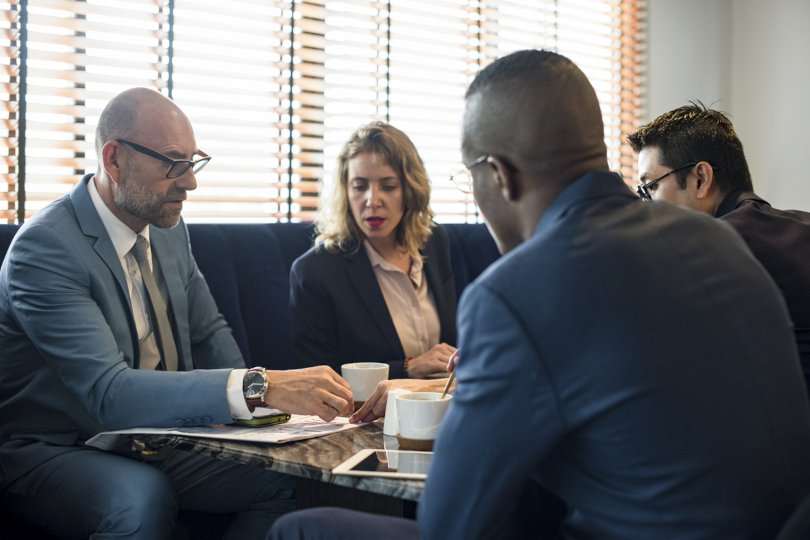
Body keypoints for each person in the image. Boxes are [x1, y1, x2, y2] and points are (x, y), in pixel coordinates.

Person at [269, 50, 810, 539]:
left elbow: (453, 524)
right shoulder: (718, 239)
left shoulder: (514, 292)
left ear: (498, 175)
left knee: (298, 530)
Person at [0, 87, 354, 540]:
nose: (190, 182)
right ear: (114, 160)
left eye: (193, 161)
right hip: (60, 446)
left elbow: (209, 334)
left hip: (158, 436)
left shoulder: (167, 228)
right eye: (173, 162)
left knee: (293, 479)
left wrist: (267, 420)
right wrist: (259, 387)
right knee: (142, 498)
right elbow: (108, 396)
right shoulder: (45, 249)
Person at [628, 102, 810, 390]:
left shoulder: (712, 251)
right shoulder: (799, 226)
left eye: (650, 188)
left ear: (701, 178)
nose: (645, 206)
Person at [290, 121, 457, 379]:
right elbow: (316, 378)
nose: (373, 200)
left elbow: (452, 341)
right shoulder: (315, 271)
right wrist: (406, 367)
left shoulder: (434, 241)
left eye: (388, 186)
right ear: (346, 191)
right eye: (359, 186)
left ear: (410, 190)